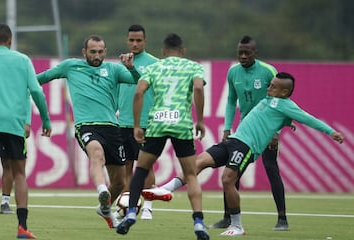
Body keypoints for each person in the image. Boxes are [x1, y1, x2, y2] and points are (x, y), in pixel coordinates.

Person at [148, 72, 344, 236]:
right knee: (198, 162)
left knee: (227, 180)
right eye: (270, 85)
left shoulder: (286, 105)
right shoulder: (269, 101)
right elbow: (270, 118)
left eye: (273, 86)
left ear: (284, 92)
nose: (269, 88)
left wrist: (331, 132)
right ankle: (166, 189)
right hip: (232, 140)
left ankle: (237, 225)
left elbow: (309, 119)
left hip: (246, 147)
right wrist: (285, 122)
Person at [144, 35, 290, 231]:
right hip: (245, 130)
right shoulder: (233, 72)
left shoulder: (268, 71)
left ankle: (282, 219)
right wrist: (227, 128)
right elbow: (230, 101)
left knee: (271, 167)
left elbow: (282, 102)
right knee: (231, 174)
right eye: (240, 53)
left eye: (247, 52)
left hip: (267, 131)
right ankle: (227, 218)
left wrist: (276, 131)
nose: (243, 56)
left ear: (256, 53)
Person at [37, 35, 140, 229]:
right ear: (84, 52)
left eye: (100, 52)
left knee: (119, 182)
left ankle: (105, 207)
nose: (97, 55)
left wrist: (132, 68)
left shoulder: (114, 69)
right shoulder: (70, 66)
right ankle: (102, 190)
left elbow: (139, 81)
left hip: (111, 127)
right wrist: (22, 87)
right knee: (96, 153)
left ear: (105, 52)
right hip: (86, 125)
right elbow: (41, 78)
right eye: (93, 52)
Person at [116, 33, 210, 240]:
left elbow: (139, 93)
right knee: (191, 174)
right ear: (183, 51)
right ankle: (198, 222)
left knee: (140, 169)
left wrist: (136, 125)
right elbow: (197, 88)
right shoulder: (193, 67)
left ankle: (131, 212)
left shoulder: (153, 67)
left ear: (163, 52)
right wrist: (200, 120)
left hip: (157, 123)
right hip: (181, 124)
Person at [0, 23, 52, 239]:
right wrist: (45, 119)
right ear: (10, 41)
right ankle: (22, 228)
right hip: (12, 124)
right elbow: (36, 91)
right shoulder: (22, 60)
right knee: (19, 173)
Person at [117, 24, 158, 220]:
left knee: (146, 166)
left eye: (138, 40)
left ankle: (148, 206)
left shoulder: (155, 64)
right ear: (127, 40)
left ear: (145, 41)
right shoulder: (120, 64)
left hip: (146, 122)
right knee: (126, 166)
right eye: (131, 40)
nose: (134, 43)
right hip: (123, 122)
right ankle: (127, 204)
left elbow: (151, 87)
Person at [0, 122, 30, 215]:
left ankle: (5, 202)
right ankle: (5, 203)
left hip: (7, 125)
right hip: (10, 127)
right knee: (18, 171)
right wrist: (46, 121)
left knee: (7, 163)